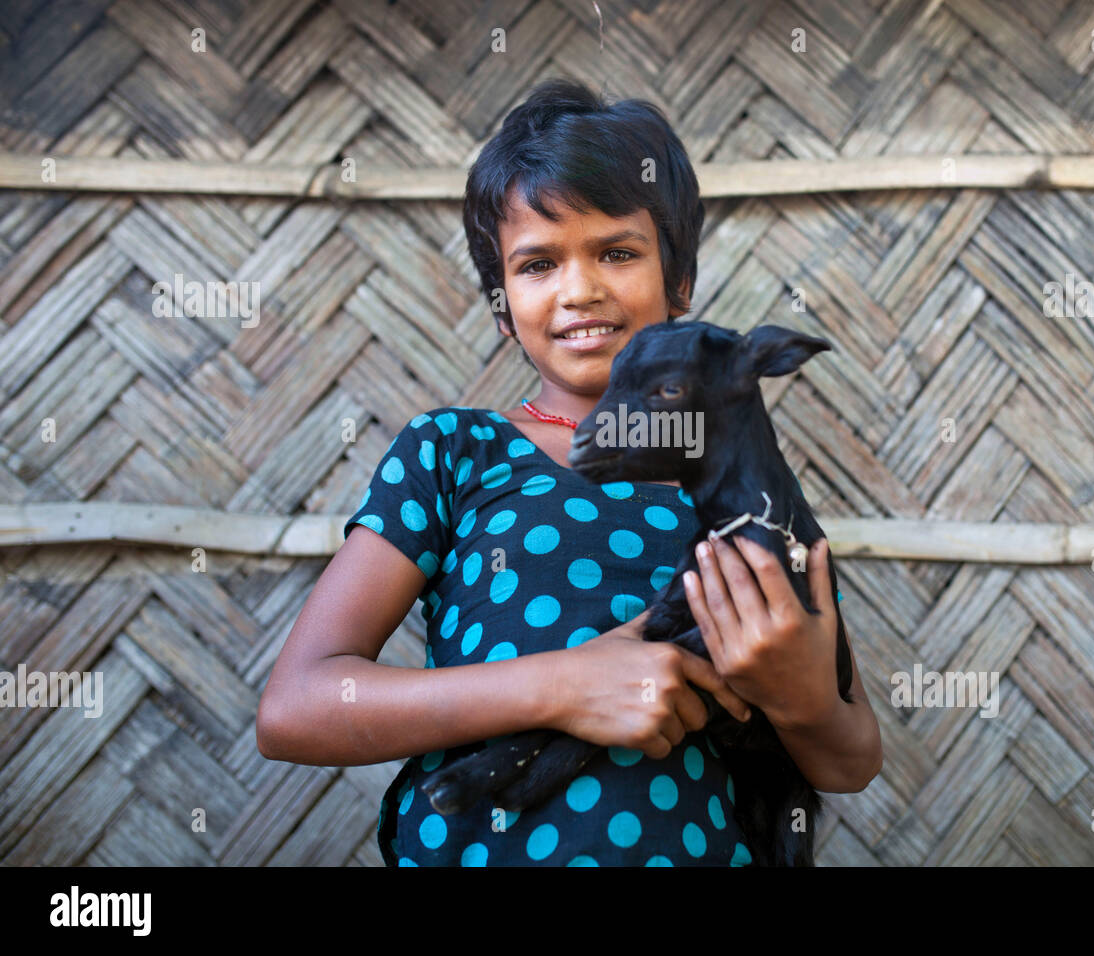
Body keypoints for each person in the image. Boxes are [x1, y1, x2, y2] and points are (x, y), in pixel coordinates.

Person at [256, 78, 882, 866]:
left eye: (617, 252)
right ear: (502, 300)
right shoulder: (454, 452)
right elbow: (295, 708)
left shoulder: (738, 486)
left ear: (677, 279)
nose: (579, 289)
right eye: (537, 264)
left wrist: (801, 697)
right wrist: (566, 684)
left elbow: (850, 761)